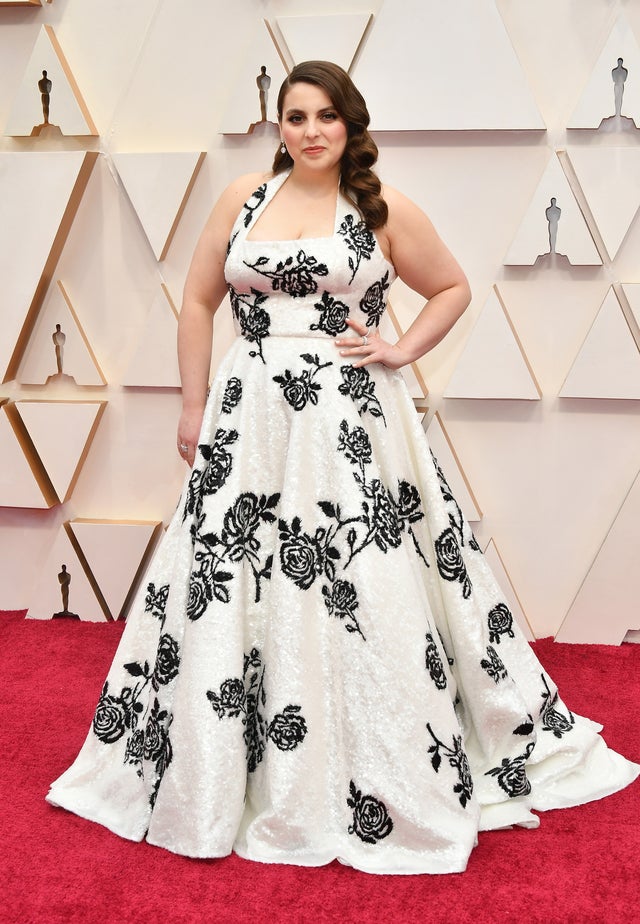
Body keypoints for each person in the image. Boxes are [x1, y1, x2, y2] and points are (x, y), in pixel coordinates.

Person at [47, 61, 638, 875]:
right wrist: (192, 406)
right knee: (233, 578)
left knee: (367, 583)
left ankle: (378, 760)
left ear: (350, 124)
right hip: (249, 419)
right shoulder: (243, 199)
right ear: (278, 126)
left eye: (326, 116)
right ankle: (223, 759)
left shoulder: (379, 208)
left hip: (350, 426)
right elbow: (195, 301)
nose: (311, 131)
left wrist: (397, 349)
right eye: (295, 117)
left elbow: (454, 288)